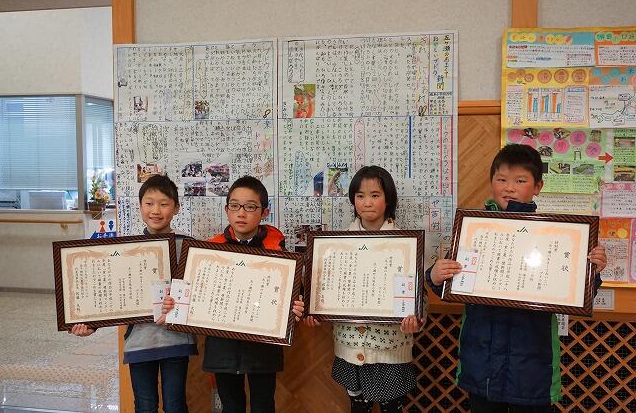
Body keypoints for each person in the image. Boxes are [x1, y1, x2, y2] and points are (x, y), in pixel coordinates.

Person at [425, 144, 607, 413]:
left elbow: (578, 293)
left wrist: (593, 270)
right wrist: (436, 276)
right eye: (501, 180)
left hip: (532, 365)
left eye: (520, 181)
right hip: (482, 361)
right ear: (491, 182)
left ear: (538, 186)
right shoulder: (473, 230)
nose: (509, 188)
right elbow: (452, 284)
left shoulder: (556, 235)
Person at [163, 175, 304, 413]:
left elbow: (293, 295)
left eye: (250, 207)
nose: (241, 213)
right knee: (231, 406)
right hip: (223, 351)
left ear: (264, 212)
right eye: (235, 206)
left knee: (263, 406)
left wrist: (296, 306)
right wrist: (175, 302)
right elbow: (190, 296)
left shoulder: (278, 252)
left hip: (263, 350)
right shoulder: (210, 250)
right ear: (226, 210)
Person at [305, 165, 428, 413]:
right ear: (353, 200)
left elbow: (418, 294)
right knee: (357, 406)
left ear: (388, 199)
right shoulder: (337, 244)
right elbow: (326, 287)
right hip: (349, 344)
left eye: (375, 195)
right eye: (360, 196)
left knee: (391, 407)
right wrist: (315, 309)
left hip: (390, 348)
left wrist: (417, 319)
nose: (367, 202)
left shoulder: (404, 243)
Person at [71, 174, 197, 413]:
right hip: (139, 341)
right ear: (140, 207)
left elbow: (198, 295)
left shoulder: (188, 246)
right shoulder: (125, 249)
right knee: (145, 405)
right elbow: (110, 293)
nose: (155, 210)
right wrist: (90, 324)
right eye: (149, 203)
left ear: (176, 208)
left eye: (164, 203)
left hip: (176, 340)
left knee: (175, 404)